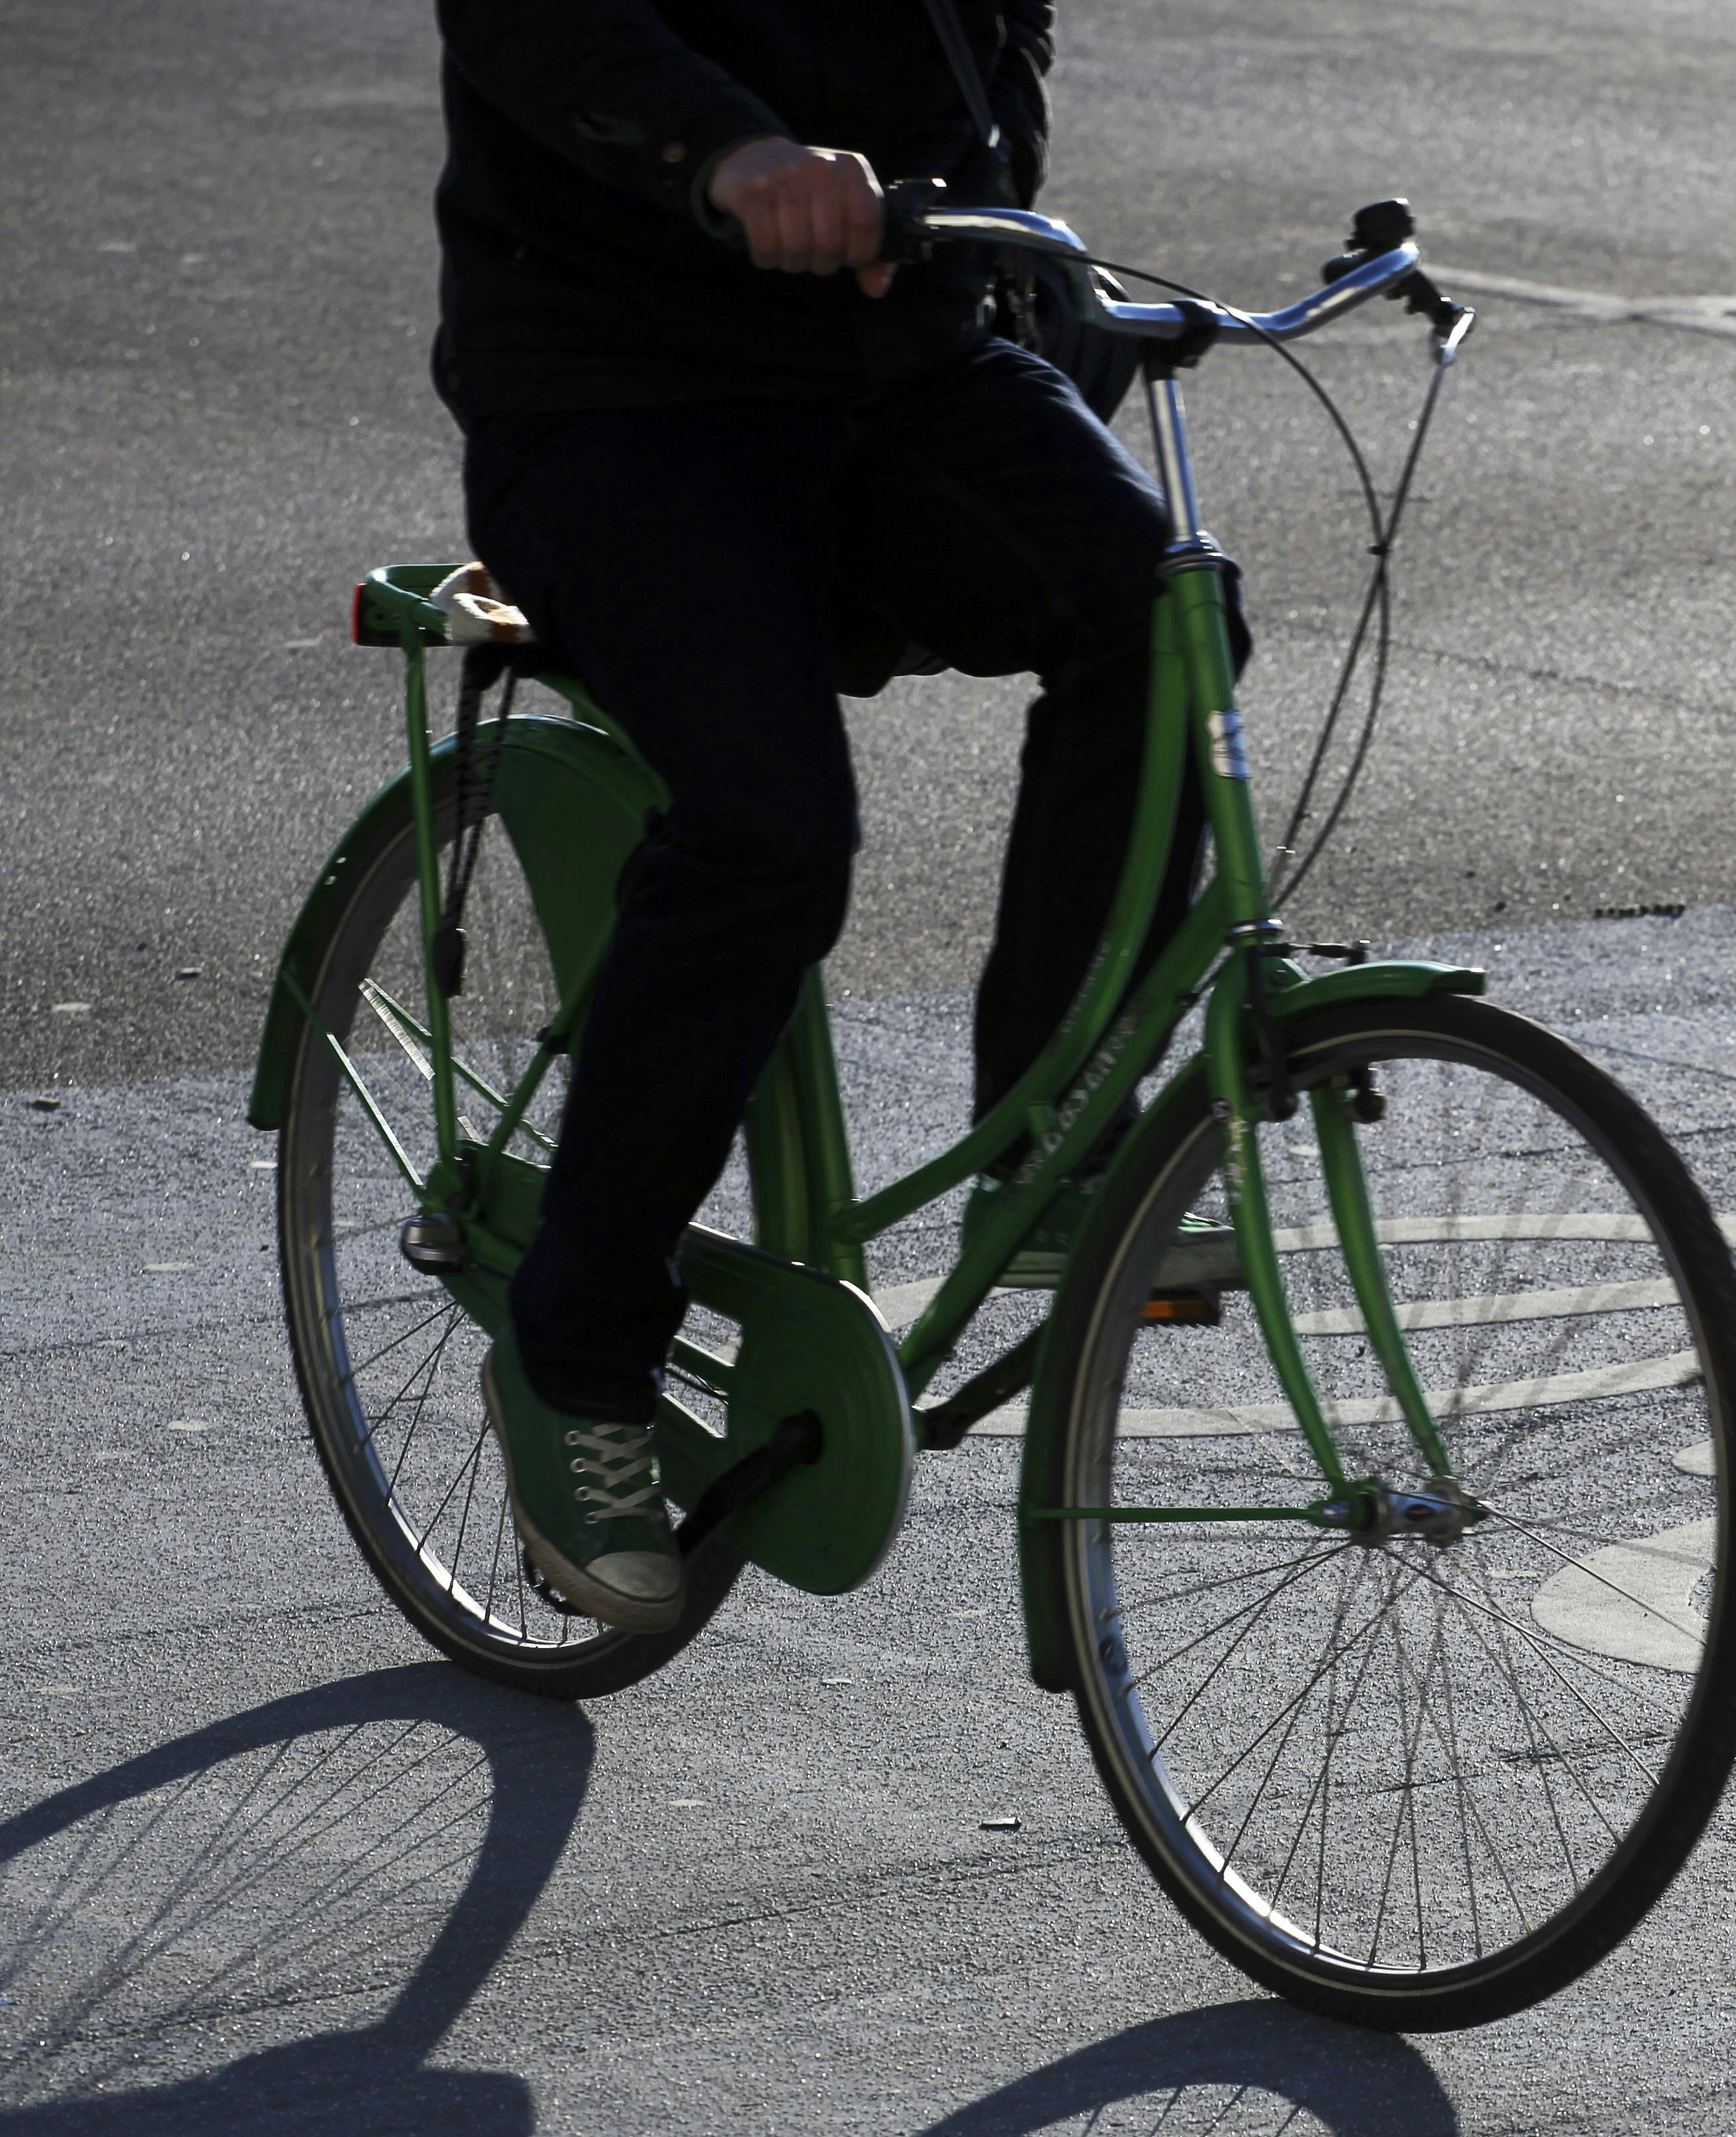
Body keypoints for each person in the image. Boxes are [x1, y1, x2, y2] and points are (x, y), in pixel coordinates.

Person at [431, 0, 1223, 1629]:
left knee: (1161, 619)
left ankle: (1056, 1149)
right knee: (769, 834)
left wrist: (959, 211)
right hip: (617, 392)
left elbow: (991, 36)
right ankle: (577, 1361)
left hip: (900, 360)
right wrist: (726, 154)